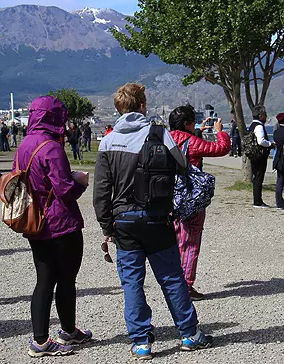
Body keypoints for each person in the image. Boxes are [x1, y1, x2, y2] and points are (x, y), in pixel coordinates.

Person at [93, 83, 213, 359]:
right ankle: (189, 334)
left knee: (132, 282)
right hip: (157, 217)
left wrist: (106, 225)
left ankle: (141, 341)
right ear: (143, 106)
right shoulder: (160, 134)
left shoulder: (109, 140)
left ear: (118, 108)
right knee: (171, 278)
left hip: (124, 221)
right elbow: (182, 166)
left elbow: (101, 190)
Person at [16, 96, 91, 357]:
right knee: (66, 279)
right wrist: (80, 181)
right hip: (60, 222)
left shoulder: (24, 144)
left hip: (34, 221)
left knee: (44, 280)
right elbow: (64, 189)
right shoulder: (51, 147)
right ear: (54, 118)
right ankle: (68, 331)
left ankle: (40, 339)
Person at [169, 105, 231, 300]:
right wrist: (220, 133)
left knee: (172, 242)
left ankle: (172, 283)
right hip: (190, 198)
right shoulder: (191, 141)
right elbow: (221, 149)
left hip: (168, 197)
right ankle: (185, 286)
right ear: (187, 124)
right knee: (190, 242)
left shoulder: (165, 139)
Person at [249, 105, 274, 208]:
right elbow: (261, 141)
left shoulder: (252, 125)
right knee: (259, 177)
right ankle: (258, 201)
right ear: (260, 116)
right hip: (259, 155)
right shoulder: (259, 126)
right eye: (265, 115)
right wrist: (270, 144)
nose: (266, 117)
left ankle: (257, 199)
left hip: (253, 154)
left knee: (256, 177)